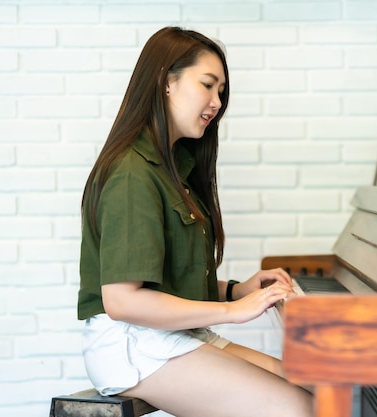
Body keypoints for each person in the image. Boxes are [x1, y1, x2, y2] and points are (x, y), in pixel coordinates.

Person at [77, 26, 313, 417]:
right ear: (166, 82)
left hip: (173, 337)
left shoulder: (173, 169)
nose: (217, 101)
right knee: (299, 411)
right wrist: (234, 313)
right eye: (207, 85)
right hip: (133, 347)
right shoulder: (133, 174)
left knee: (316, 393)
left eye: (220, 91)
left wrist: (236, 291)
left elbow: (166, 279)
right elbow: (121, 300)